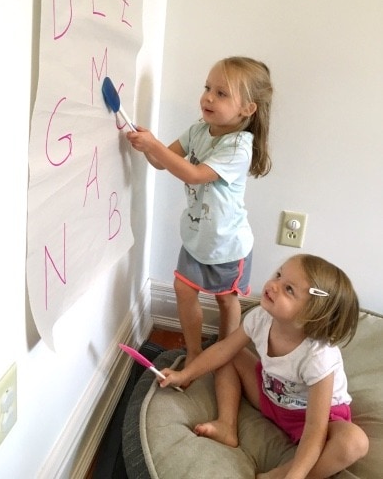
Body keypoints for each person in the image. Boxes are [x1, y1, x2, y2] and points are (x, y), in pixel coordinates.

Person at [159, 254, 369, 479]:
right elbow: (224, 350)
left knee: (354, 442)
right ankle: (226, 425)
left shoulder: (318, 357)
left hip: (314, 418)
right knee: (229, 353)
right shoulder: (261, 318)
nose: (273, 285)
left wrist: (295, 474)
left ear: (313, 315)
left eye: (288, 289)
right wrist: (185, 374)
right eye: (279, 275)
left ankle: (282, 476)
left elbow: (315, 429)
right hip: (270, 395)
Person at [127, 56, 273, 366]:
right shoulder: (198, 130)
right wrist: (145, 145)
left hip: (227, 244)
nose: (208, 97)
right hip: (196, 237)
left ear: (247, 109)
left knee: (226, 298)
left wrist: (155, 147)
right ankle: (194, 353)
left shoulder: (238, 147)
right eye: (208, 87)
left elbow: (194, 174)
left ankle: (225, 354)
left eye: (221, 93)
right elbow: (161, 160)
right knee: (183, 288)